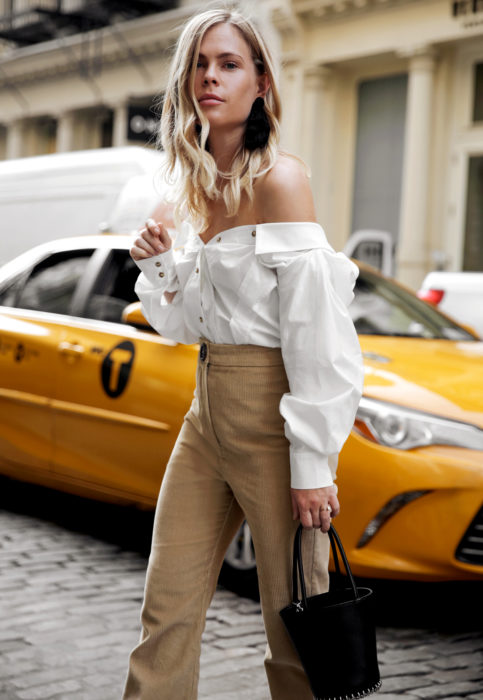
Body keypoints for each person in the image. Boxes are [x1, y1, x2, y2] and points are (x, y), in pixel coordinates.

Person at [122, 7, 363, 700]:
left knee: (296, 630)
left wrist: (312, 462)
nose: (209, 77)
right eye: (199, 63)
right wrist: (163, 264)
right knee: (164, 614)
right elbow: (184, 326)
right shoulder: (186, 190)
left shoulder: (280, 180)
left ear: (261, 82)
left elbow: (316, 331)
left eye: (228, 64)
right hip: (204, 415)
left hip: (273, 418)